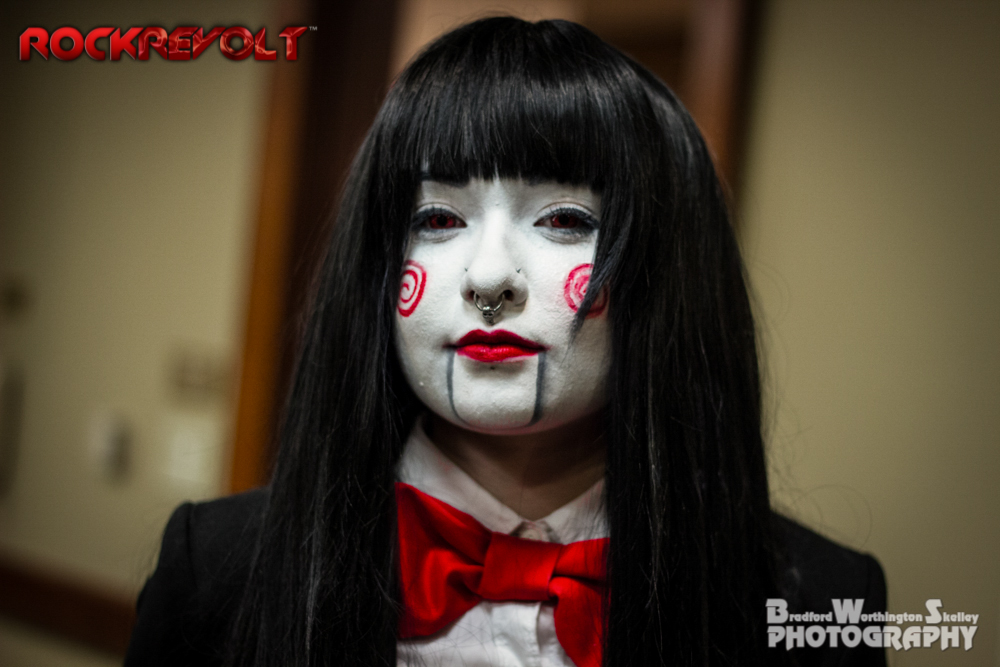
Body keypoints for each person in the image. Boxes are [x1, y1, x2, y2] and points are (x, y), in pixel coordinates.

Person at [125, 17, 886, 667]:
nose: (489, 277)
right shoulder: (212, 569)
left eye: (564, 220)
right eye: (437, 219)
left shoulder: (822, 606)